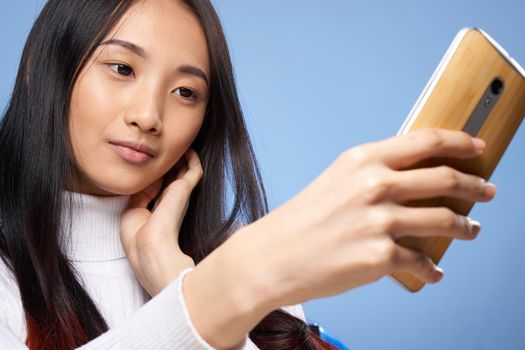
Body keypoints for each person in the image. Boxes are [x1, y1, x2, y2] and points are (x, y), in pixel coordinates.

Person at [0, 0, 496, 349]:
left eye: (186, 92)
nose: (149, 116)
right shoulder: (247, 268)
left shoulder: (229, 260)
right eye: (122, 69)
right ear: (41, 68)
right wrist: (225, 288)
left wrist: (177, 279)